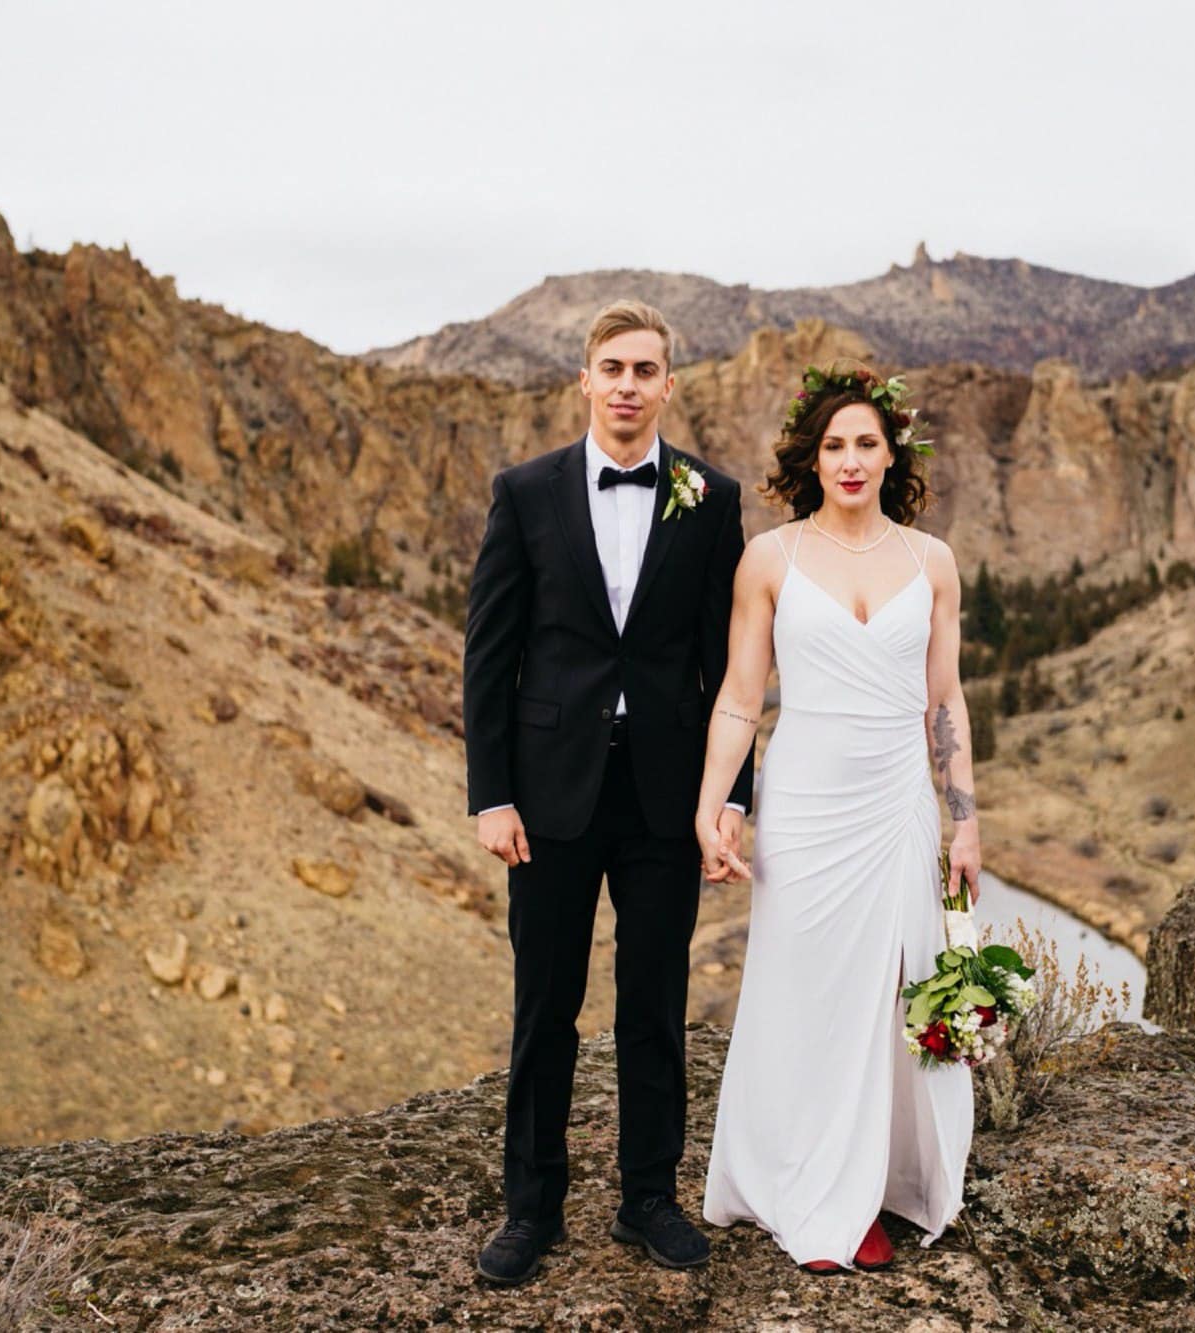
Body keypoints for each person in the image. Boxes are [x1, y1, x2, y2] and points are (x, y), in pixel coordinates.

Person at [463, 300, 753, 1286]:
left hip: (667, 794)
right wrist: (489, 793)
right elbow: (489, 655)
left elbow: (731, 671)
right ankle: (530, 1209)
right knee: (543, 1004)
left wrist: (728, 799)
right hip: (547, 795)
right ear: (583, 381)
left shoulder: (711, 499)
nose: (627, 384)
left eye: (645, 369)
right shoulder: (526, 491)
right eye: (610, 368)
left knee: (654, 1004)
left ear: (669, 385)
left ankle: (647, 1199)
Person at [694, 365, 981, 1272]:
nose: (850, 460)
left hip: (895, 801)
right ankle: (804, 1185)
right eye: (833, 445)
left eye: (866, 443)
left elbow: (945, 701)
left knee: (885, 994)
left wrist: (963, 819)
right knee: (807, 989)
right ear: (810, 460)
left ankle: (871, 1185)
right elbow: (742, 694)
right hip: (807, 801)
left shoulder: (930, 561)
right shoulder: (770, 559)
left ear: (892, 453)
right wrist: (715, 804)